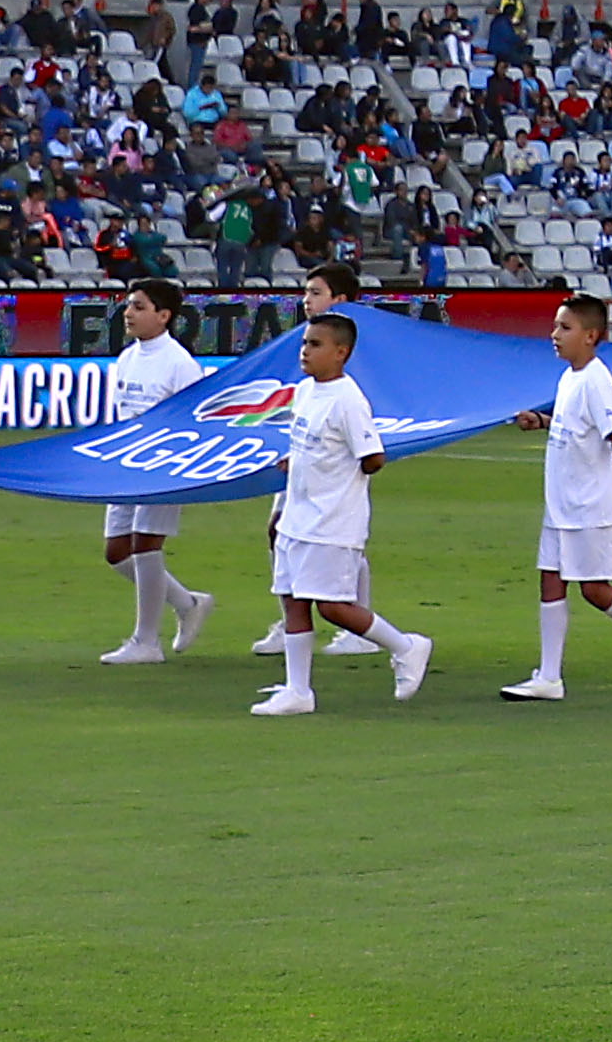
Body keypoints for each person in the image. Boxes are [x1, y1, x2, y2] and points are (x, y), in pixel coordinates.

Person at [253, 309, 431, 716]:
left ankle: (406, 646)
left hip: (332, 520)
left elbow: (372, 457)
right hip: (298, 515)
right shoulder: (305, 392)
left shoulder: (349, 400)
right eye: (304, 343)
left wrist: (334, 472)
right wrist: (297, 463)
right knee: (292, 600)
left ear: (341, 352)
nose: (305, 351)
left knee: (332, 606)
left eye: (315, 345)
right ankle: (298, 690)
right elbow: (312, 446)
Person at [498, 290, 612, 698]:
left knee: (595, 590)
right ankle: (549, 677)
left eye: (565, 327)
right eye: (555, 326)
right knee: (550, 581)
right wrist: (542, 421)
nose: (555, 334)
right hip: (562, 503)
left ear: (591, 335)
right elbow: (576, 426)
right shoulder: (570, 377)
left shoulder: (597, 380)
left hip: (591, 505)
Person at [91, 274, 213, 663]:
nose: (128, 313)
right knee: (116, 552)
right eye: (128, 305)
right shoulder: (128, 357)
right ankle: (188, 603)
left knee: (145, 545)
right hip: (127, 466)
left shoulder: (180, 364)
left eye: (138, 306)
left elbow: (194, 422)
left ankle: (146, 641)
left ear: (164, 315)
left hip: (162, 466)